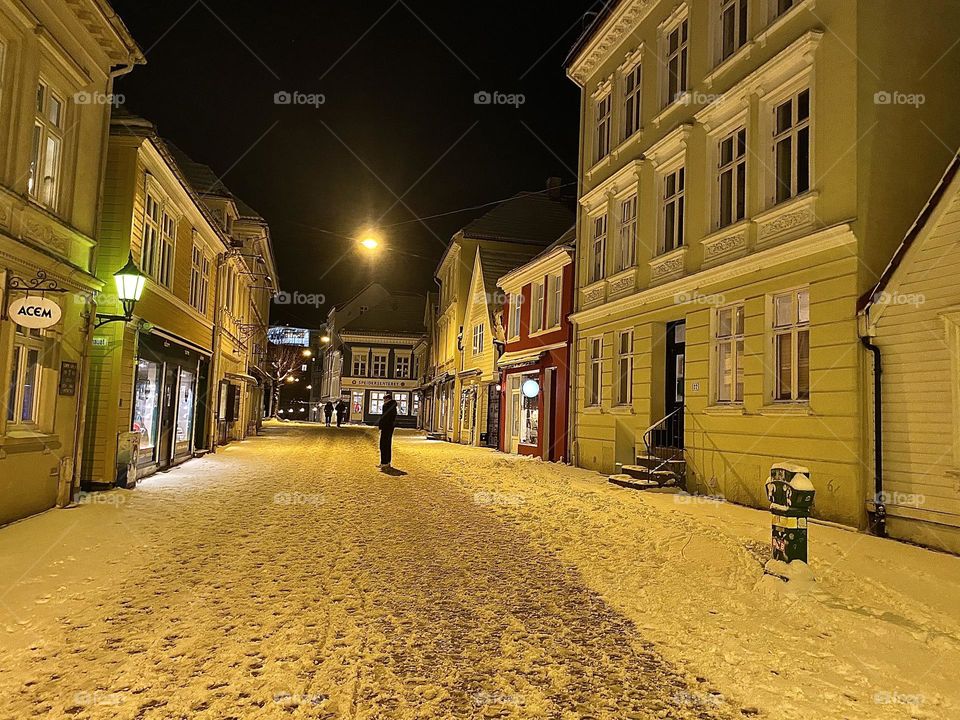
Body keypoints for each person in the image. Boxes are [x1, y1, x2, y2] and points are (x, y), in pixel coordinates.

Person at [377, 392, 398, 470]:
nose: (383, 400)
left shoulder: (387, 406)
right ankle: (386, 462)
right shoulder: (393, 406)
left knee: (383, 445)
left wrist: (381, 426)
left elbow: (384, 417)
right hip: (389, 427)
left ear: (387, 399)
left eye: (384, 399)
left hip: (386, 427)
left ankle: (384, 462)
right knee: (387, 444)